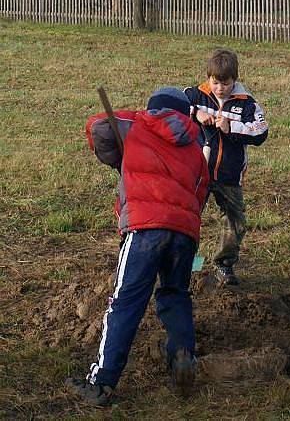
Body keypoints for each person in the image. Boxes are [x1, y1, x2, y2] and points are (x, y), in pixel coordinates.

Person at [65, 87, 209, 408]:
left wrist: (117, 156)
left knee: (126, 302)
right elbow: (202, 193)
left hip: (144, 228)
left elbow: (98, 126)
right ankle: (182, 355)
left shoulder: (138, 124)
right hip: (184, 232)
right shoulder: (196, 149)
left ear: (152, 108)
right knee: (175, 294)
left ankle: (102, 383)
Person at [184, 48, 268, 286]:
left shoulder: (247, 104)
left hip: (229, 176)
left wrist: (232, 128)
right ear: (208, 78)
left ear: (235, 79)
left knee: (235, 220)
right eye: (215, 82)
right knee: (188, 217)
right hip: (198, 173)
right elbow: (173, 104)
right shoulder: (195, 95)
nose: (220, 88)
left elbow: (261, 132)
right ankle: (187, 262)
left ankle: (224, 263)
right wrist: (196, 114)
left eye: (226, 83)